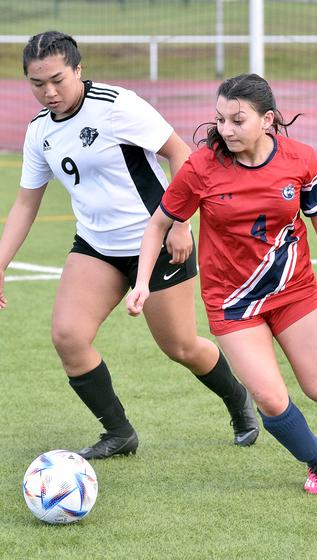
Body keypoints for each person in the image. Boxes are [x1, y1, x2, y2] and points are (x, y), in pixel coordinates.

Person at [0, 33, 259, 460]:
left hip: (156, 240)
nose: (48, 92)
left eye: (57, 80)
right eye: (36, 83)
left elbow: (182, 154)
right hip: (95, 246)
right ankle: (119, 432)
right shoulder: (38, 132)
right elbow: (27, 202)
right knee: (68, 336)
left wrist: (179, 222)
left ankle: (237, 400)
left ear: (79, 70)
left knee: (180, 347)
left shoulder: (117, 105)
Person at [126, 73, 317, 494]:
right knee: (269, 397)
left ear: (267, 120)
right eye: (220, 119)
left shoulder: (301, 159)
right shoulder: (200, 167)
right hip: (231, 303)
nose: (225, 130)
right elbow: (158, 225)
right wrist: (141, 283)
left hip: (293, 290)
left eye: (237, 120)